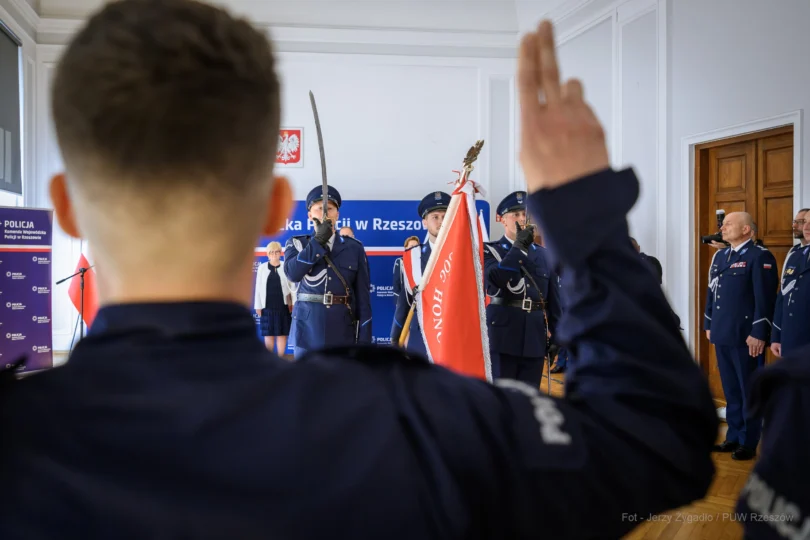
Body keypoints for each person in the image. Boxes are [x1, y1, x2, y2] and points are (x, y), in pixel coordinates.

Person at [0, 9, 719, 538]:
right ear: (275, 206)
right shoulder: (414, 423)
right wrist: (583, 216)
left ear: (65, 208)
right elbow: (655, 442)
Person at [703, 211, 778, 460]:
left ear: (746, 230)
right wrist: (709, 323)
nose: (722, 229)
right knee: (731, 390)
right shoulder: (720, 256)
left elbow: (765, 299)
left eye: (728, 224)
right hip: (722, 332)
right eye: (723, 225)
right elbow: (712, 292)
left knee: (749, 391)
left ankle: (748, 441)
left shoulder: (760, 256)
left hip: (746, 337)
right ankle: (733, 436)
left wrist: (759, 332)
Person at [283, 185, 372, 359]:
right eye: (319, 208)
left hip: (342, 330)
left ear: (337, 214)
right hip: (307, 331)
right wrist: (317, 242)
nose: (325, 213)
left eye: (330, 208)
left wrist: (364, 341)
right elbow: (292, 274)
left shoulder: (354, 248)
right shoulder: (297, 244)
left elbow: (363, 298)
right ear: (310, 215)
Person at [484, 191, 561, 384]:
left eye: (525, 214)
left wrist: (557, 337)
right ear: (502, 220)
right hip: (502, 336)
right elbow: (496, 279)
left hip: (534, 337)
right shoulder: (490, 250)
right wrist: (519, 247)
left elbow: (553, 300)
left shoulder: (544, 255)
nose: (521, 219)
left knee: (530, 395)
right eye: (515, 214)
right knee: (502, 395)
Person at [390, 191, 450, 353]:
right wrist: (395, 339)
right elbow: (405, 302)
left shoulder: (464, 254)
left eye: (445, 217)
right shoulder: (413, 257)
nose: (441, 222)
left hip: (454, 333)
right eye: (435, 217)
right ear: (425, 222)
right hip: (421, 335)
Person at [771, 219, 810, 358]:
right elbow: (783, 295)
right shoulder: (796, 254)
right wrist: (776, 335)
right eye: (806, 222)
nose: (806, 226)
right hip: (791, 338)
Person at [254, 241, 292, 355]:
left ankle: (280, 358)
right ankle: (269, 359)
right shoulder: (262, 268)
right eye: (271, 252)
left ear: (280, 253)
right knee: (268, 334)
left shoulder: (286, 266)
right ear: (268, 254)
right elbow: (258, 288)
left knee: (282, 334)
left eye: (276, 252)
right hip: (267, 306)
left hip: (283, 305)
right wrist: (258, 306)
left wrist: (293, 303)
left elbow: (292, 286)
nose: (274, 254)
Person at [392, 235, 420, 305]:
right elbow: (396, 284)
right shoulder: (400, 262)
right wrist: (399, 303)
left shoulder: (422, 262)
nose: (414, 248)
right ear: (406, 248)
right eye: (411, 246)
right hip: (404, 302)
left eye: (416, 246)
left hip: (419, 301)